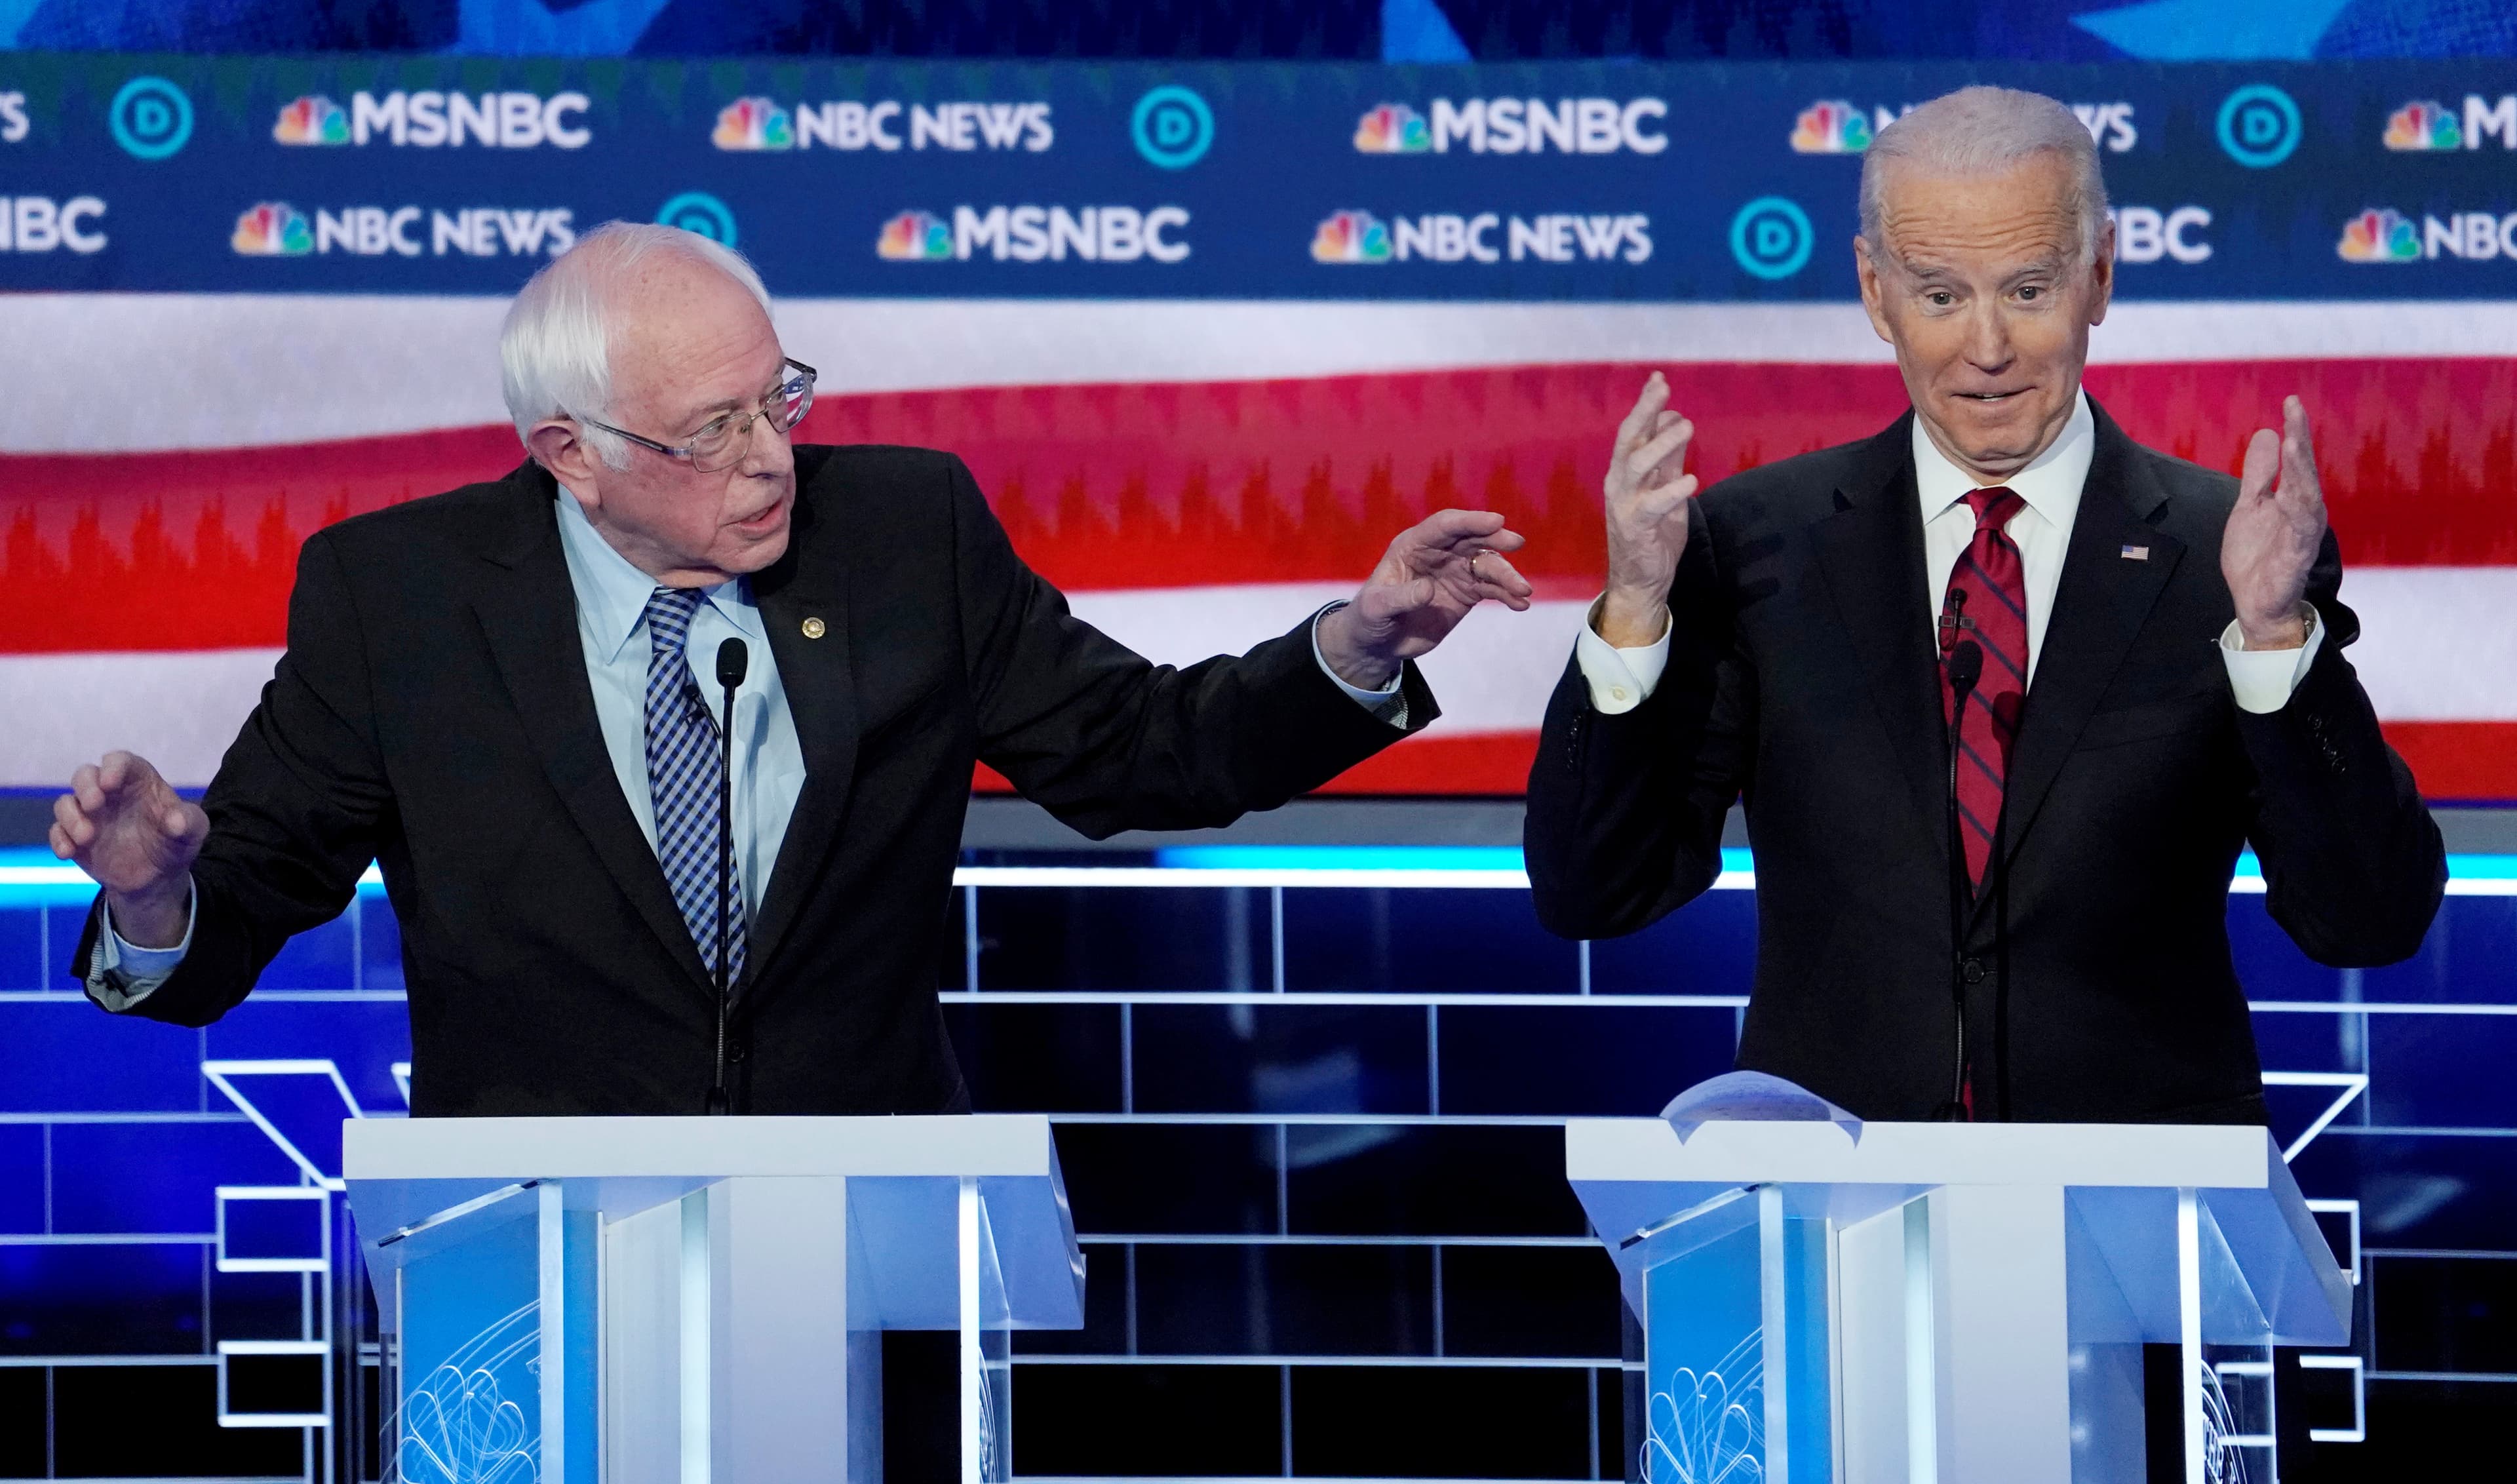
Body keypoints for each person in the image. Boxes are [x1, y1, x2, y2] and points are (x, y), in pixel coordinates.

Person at [50, 221, 1536, 1118]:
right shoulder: (402, 601)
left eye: (782, 399)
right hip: (531, 1249)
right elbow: (238, 909)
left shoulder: (904, 534)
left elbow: (1145, 751)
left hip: (862, 1224)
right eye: (713, 430)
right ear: (570, 454)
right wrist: (154, 892)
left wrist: (1355, 648)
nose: (772, 460)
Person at [1525, 87, 2444, 1123]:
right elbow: (1595, 891)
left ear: (2099, 274)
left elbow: (2372, 920)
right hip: (1840, 1215)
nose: (1989, 348)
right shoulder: (1755, 545)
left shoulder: (2228, 554)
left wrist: (2277, 640)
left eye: (2028, 289)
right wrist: (1636, 615)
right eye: (1940, 296)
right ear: (1876, 292)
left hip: (2134, 1209)